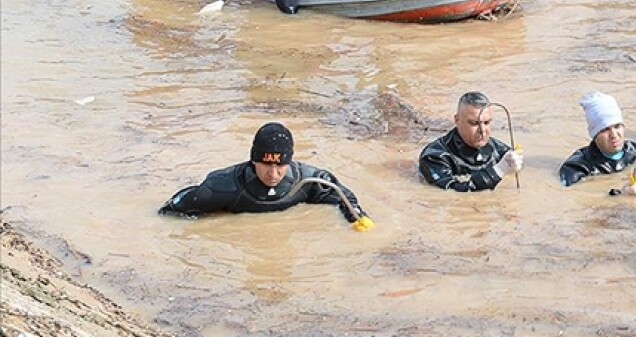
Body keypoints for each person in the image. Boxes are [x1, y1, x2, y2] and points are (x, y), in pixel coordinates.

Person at [159, 122, 373, 231]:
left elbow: (344, 199)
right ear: (254, 160)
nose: (273, 173)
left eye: (280, 165)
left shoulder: (309, 181)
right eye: (266, 164)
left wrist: (357, 220)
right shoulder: (222, 187)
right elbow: (172, 211)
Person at [418, 92, 523, 192]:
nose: (482, 130)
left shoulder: (501, 152)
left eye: (486, 122)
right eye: (474, 123)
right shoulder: (435, 157)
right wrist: (498, 171)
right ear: (457, 120)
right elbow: (451, 191)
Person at [560, 92, 636, 188]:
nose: (614, 135)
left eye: (617, 126)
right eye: (605, 129)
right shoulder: (577, 167)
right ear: (594, 134)